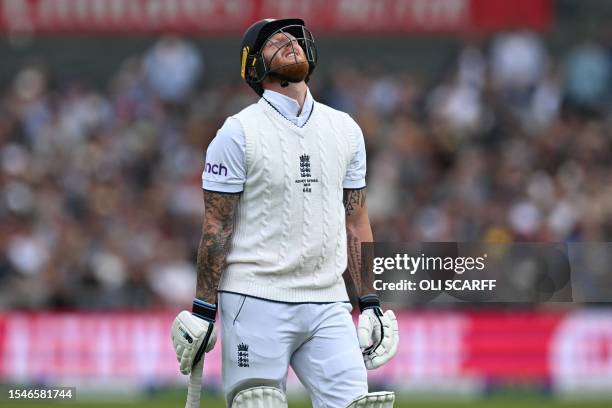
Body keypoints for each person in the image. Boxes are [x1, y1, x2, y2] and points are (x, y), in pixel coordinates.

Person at [171, 18, 399, 408]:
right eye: (276, 41)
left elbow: (356, 219)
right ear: (254, 66)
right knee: (258, 402)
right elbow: (216, 226)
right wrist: (203, 310)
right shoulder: (237, 132)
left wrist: (370, 301)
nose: (291, 43)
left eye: (294, 38)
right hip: (254, 300)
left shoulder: (345, 129)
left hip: (328, 301)